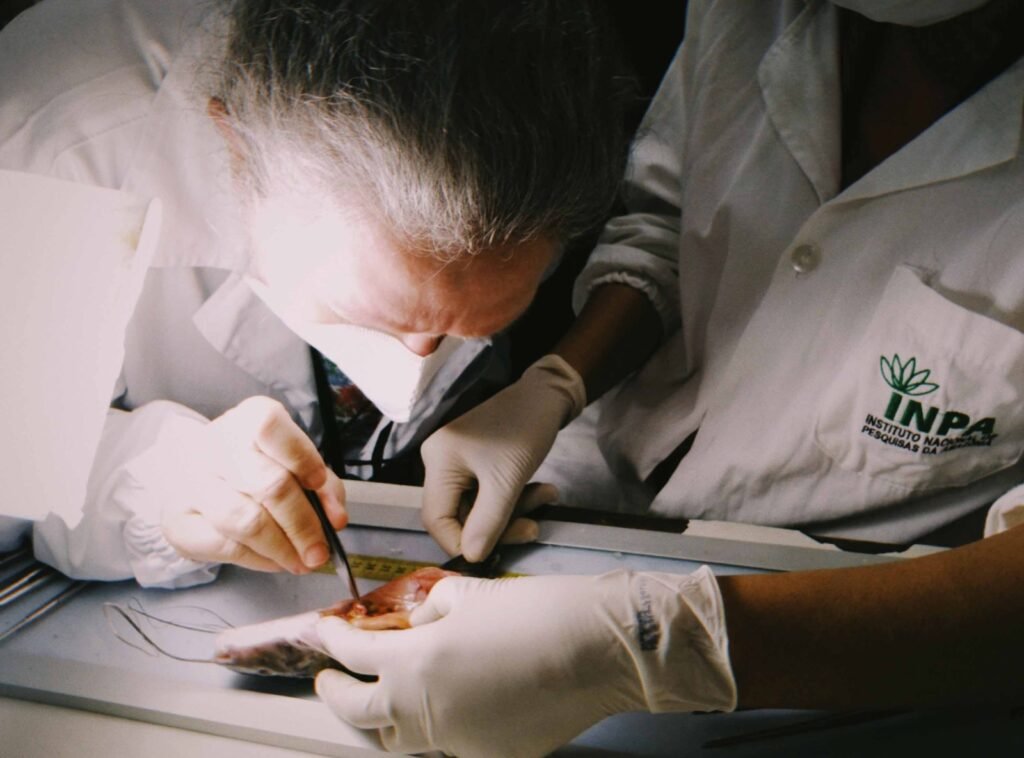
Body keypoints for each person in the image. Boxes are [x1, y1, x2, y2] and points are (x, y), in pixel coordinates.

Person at [312, 1, 1024, 755]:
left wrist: (654, 644)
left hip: (834, 620)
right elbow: (667, 227)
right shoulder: (748, 12)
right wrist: (557, 383)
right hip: (597, 484)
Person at [0, 0, 630, 586]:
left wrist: (545, 393)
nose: (418, 362)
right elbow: (14, 483)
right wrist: (160, 480)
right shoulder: (56, 162)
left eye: (462, 329)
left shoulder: (536, 148)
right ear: (237, 152)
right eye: (371, 319)